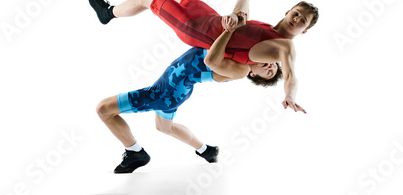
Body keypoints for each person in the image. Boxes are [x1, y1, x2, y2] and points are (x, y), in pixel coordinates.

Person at [89, 0, 318, 112]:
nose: (297, 19)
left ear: (304, 30)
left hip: (195, 28)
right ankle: (143, 3)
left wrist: (290, 96)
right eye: (297, 13)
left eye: (302, 21)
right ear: (289, 11)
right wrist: (238, 15)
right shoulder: (269, 27)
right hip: (210, 16)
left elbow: (291, 76)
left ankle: (108, 13)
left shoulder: (283, 47)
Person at [96, 11, 282, 173]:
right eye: (273, 63)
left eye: (269, 71)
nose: (270, 65)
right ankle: (206, 151)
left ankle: (135, 153)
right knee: (164, 127)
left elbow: (211, 60)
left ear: (255, 75)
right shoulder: (240, 52)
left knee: (103, 109)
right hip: (176, 91)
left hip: (164, 92)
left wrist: (231, 29)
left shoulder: (240, 69)